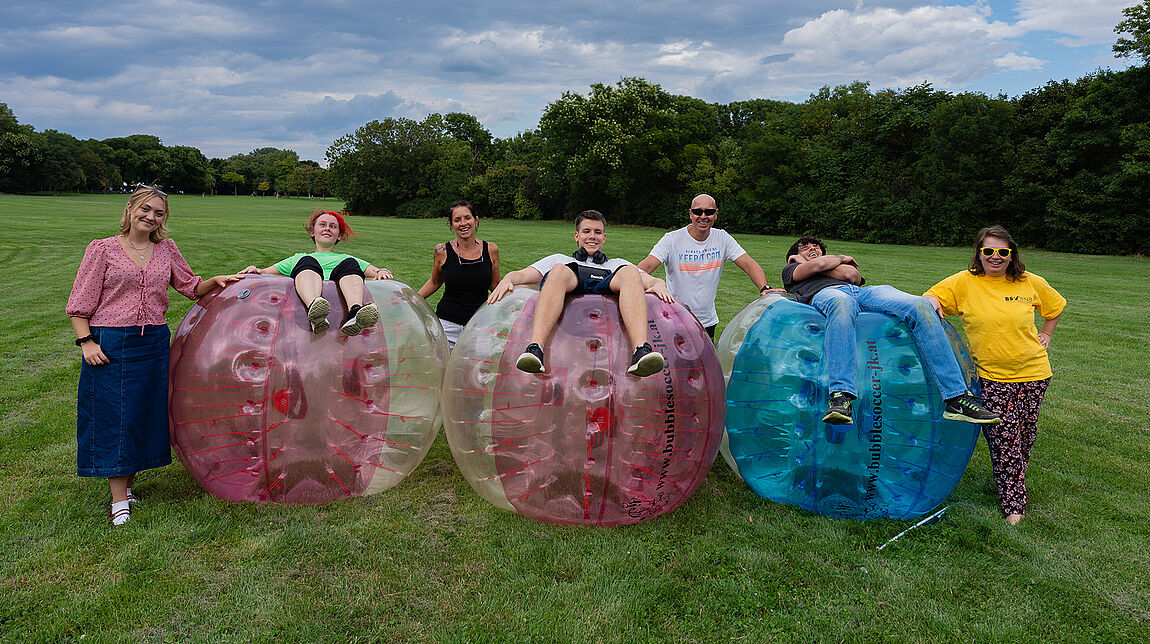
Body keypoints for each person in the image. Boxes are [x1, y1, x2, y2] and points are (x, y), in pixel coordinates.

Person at [67, 186, 242, 525]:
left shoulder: (166, 250)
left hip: (155, 343)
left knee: (144, 415)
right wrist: (87, 342)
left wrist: (215, 281)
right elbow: (79, 304)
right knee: (115, 417)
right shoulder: (102, 250)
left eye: (158, 212)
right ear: (130, 208)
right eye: (145, 209)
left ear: (164, 218)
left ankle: (130, 484)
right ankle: (119, 499)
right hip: (111, 344)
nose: (150, 216)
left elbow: (189, 287)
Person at [924, 226, 1065, 525]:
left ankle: (1010, 479)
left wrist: (1046, 334)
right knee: (1004, 438)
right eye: (988, 251)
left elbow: (1055, 307)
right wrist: (934, 303)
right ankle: (1014, 506)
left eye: (1003, 252)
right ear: (979, 253)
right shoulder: (964, 283)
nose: (996, 257)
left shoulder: (1029, 282)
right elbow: (931, 299)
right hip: (991, 378)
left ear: (1011, 254)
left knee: (1024, 437)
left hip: (1034, 373)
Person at [782, 235, 1000, 426]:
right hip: (828, 295)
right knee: (842, 304)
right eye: (804, 247)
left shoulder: (830, 265)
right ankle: (841, 397)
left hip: (863, 293)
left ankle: (956, 399)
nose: (812, 249)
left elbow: (851, 276)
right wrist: (826, 261)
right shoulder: (790, 269)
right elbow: (816, 269)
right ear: (793, 256)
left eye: (816, 247)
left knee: (920, 305)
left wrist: (826, 261)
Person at [487, 210, 674, 377]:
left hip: (609, 290)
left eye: (597, 232)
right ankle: (535, 348)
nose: (592, 236)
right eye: (586, 231)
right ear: (576, 236)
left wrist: (659, 284)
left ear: (604, 238)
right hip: (571, 287)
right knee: (558, 269)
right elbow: (522, 275)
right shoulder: (559, 260)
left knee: (630, 271)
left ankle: (641, 350)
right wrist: (508, 278)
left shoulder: (616, 264)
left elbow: (650, 280)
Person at [637, 194, 783, 339]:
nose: (703, 216)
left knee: (706, 362)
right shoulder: (672, 240)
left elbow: (748, 264)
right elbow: (646, 266)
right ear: (690, 214)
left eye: (709, 212)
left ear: (716, 214)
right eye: (697, 211)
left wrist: (764, 288)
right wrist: (631, 286)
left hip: (707, 321)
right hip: (675, 319)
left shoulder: (722, 238)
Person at [241, 210, 392, 335]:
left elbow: (376, 270)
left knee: (350, 264)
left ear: (339, 235)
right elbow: (265, 272)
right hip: (302, 314)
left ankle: (355, 312)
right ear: (313, 232)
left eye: (333, 226)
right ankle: (315, 309)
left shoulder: (347, 259)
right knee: (307, 262)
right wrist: (255, 269)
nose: (327, 228)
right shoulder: (299, 258)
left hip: (341, 312)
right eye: (322, 225)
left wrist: (382, 272)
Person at [418, 200, 501, 348]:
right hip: (447, 326)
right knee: (444, 370)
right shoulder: (441, 251)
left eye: (467, 218)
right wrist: (412, 299)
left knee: (476, 370)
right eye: (457, 220)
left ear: (476, 220)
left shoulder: (491, 250)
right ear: (451, 225)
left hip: (479, 325)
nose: (463, 223)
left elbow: (495, 286)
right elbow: (435, 282)